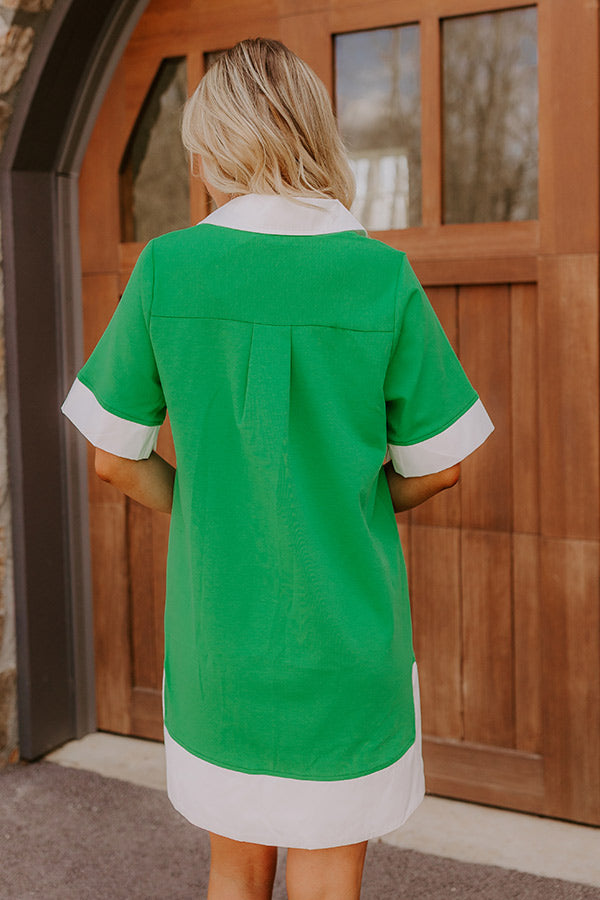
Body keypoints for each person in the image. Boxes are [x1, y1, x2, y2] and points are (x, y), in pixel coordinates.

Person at [61, 37, 494, 900]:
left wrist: (210, 505)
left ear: (215, 145)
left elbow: (112, 460)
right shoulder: (380, 276)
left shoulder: (166, 268)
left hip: (220, 644)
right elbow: (442, 467)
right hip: (347, 651)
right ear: (312, 132)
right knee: (329, 878)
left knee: (235, 871)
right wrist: (348, 504)